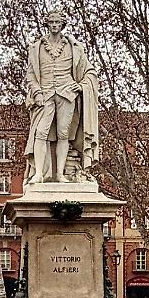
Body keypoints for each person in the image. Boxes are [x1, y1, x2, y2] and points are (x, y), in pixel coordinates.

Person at [24, 10, 100, 183]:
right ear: (47, 24)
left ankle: (60, 174)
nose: (54, 25)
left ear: (62, 24)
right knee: (40, 133)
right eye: (51, 22)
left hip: (67, 94)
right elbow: (31, 76)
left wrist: (81, 86)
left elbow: (89, 72)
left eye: (57, 22)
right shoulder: (37, 48)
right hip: (45, 94)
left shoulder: (74, 48)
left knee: (63, 134)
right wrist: (36, 92)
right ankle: (39, 174)